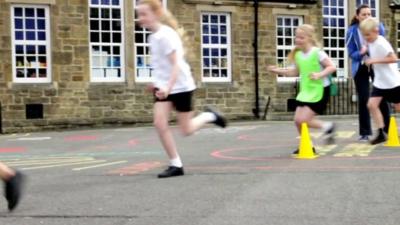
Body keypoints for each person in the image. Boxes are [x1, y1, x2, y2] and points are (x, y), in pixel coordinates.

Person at [136, 0, 227, 178]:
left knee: (186, 130)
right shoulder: (152, 37)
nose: (140, 19)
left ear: (156, 14)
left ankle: (210, 116)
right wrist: (155, 84)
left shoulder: (166, 35)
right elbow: (161, 67)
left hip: (181, 85)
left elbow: (176, 64)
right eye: (138, 14)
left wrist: (168, 87)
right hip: (164, 88)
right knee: (159, 123)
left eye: (144, 14)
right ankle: (176, 164)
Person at [268, 24, 336, 155]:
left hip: (320, 90)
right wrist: (277, 70)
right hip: (305, 91)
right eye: (296, 37)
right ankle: (308, 145)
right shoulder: (298, 55)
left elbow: (332, 67)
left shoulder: (317, 53)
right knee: (297, 120)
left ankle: (327, 126)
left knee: (303, 119)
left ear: (309, 38)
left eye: (301, 37)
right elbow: (294, 72)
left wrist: (319, 75)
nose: (297, 40)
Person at [346, 4, 390, 141]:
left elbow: (382, 45)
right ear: (357, 16)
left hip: (376, 64)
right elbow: (351, 53)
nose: (367, 16)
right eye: (364, 14)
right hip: (361, 65)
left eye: (369, 14)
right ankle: (365, 132)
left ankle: (387, 129)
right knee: (364, 98)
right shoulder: (351, 32)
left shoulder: (378, 27)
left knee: (382, 97)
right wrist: (361, 53)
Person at [360, 17, 400, 145]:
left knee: (398, 107)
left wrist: (374, 60)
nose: (366, 37)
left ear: (376, 31)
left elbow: (394, 58)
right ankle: (381, 133)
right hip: (380, 83)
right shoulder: (371, 41)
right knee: (371, 105)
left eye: (368, 35)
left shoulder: (382, 42)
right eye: (364, 35)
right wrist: (365, 48)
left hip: (392, 82)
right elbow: (368, 44)